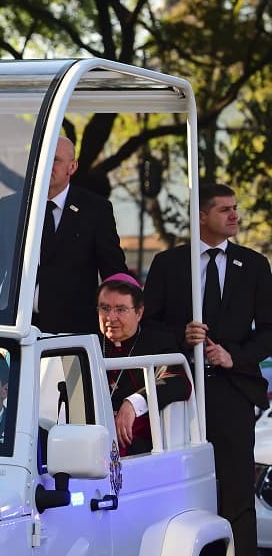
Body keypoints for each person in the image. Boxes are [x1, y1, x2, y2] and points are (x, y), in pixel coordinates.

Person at [143, 183, 272, 556]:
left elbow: (269, 330)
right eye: (224, 210)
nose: (235, 216)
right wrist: (183, 337)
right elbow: (148, 327)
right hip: (181, 394)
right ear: (201, 216)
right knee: (183, 495)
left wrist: (235, 356)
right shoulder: (168, 264)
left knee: (237, 498)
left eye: (235, 208)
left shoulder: (254, 265)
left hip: (233, 394)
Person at [0, 136, 127, 333]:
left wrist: (122, 319)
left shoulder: (95, 210)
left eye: (55, 160)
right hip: (15, 328)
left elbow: (113, 271)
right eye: (42, 159)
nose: (46, 165)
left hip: (71, 333)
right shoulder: (12, 207)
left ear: (72, 167)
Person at [97, 273, 190, 456]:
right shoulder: (87, 341)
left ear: (139, 313)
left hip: (138, 447)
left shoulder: (158, 341)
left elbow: (177, 380)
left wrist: (133, 403)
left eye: (120, 309)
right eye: (105, 308)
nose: (110, 317)